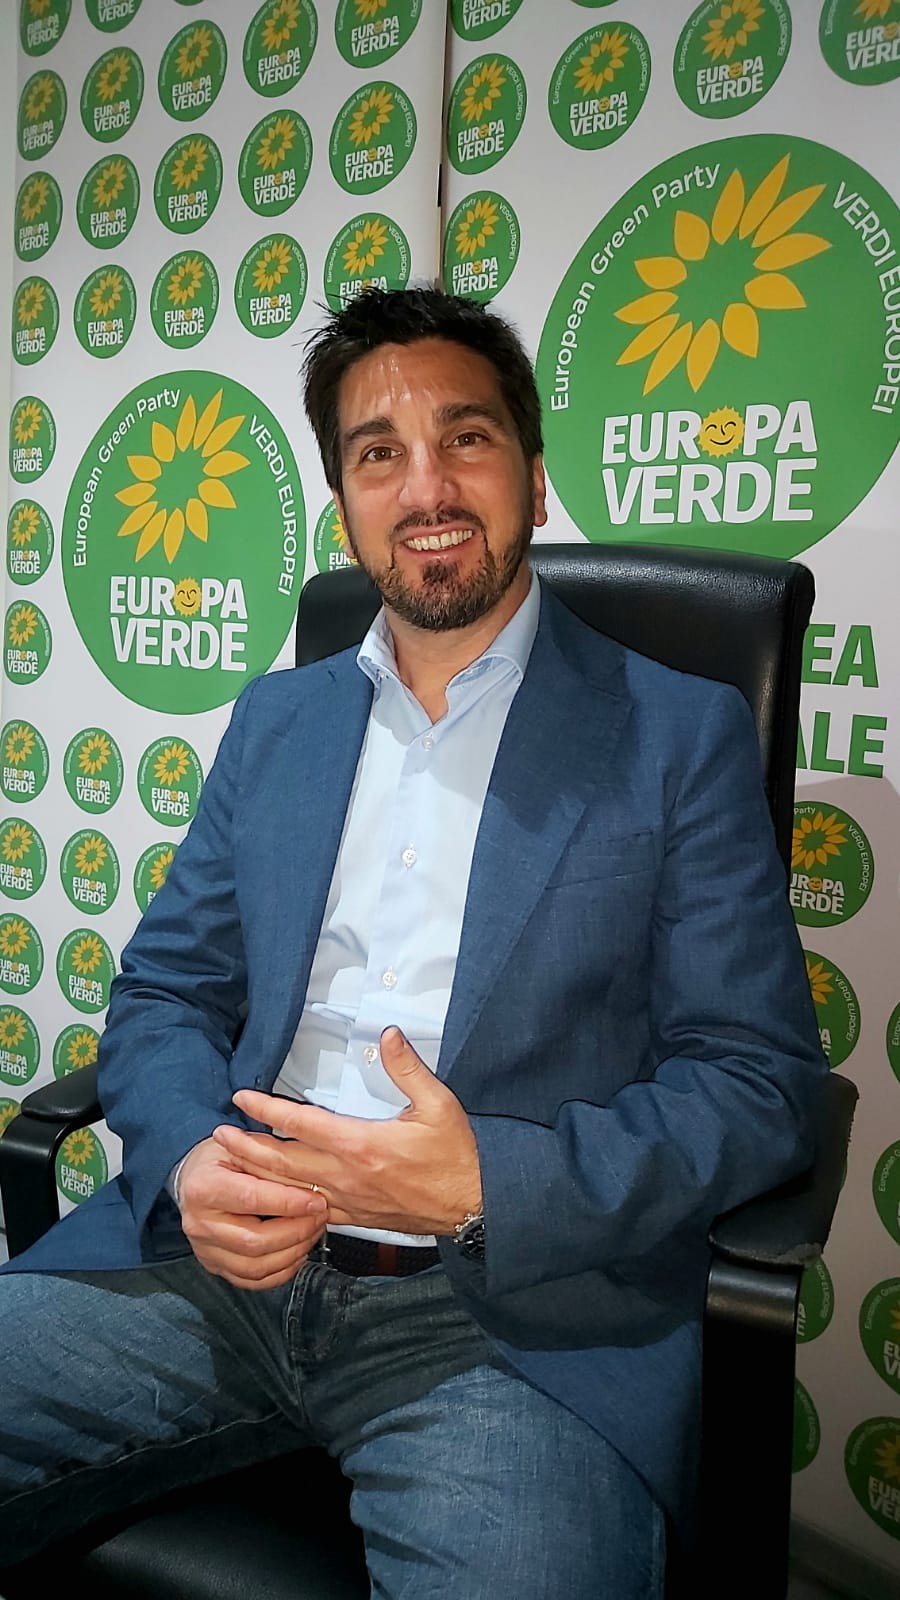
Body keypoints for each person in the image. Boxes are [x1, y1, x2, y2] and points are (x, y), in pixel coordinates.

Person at [0, 287, 826, 1596]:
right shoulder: (278, 721)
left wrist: (487, 1183)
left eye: (467, 438)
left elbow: (760, 1082)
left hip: (509, 1324)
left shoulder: (677, 733)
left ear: (534, 479)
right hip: (219, 1268)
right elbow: (167, 992)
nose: (426, 485)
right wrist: (191, 1162)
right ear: (345, 506)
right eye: (379, 453)